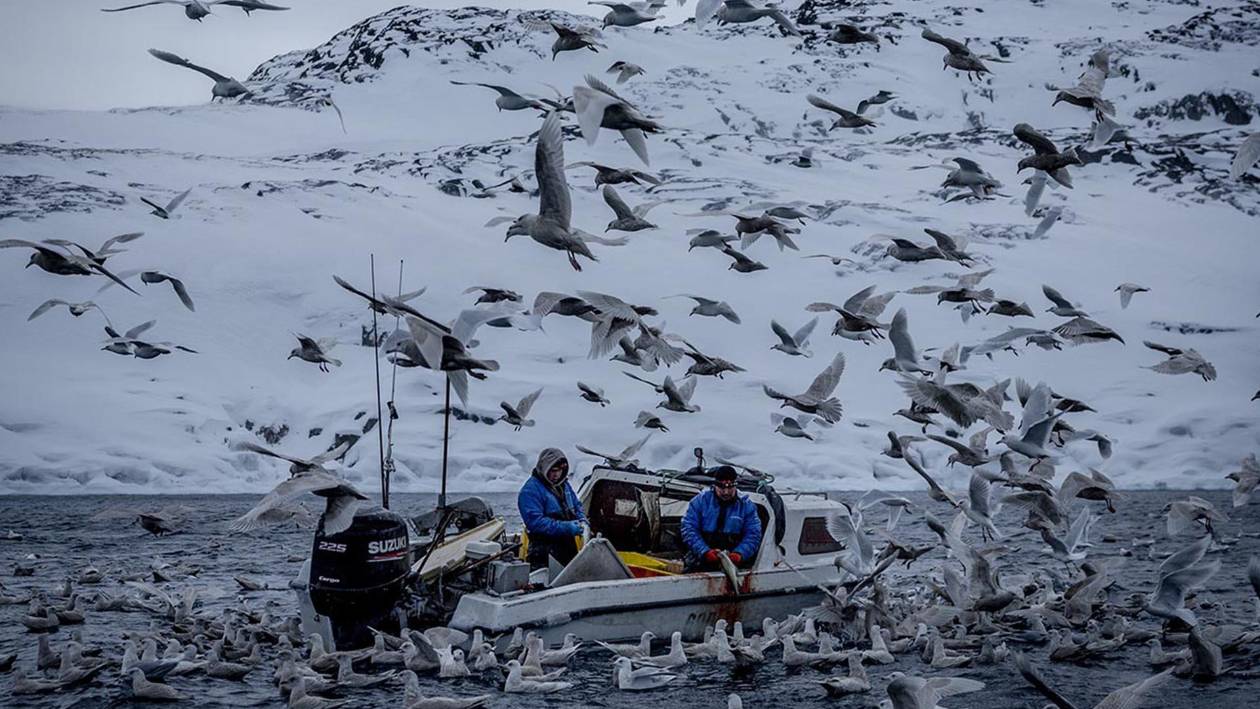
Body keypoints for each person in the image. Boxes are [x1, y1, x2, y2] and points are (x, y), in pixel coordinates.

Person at [680, 466, 763, 572]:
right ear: (715, 485)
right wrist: (704, 551)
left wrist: (740, 553)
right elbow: (688, 528)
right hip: (702, 556)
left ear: (735, 485)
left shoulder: (746, 506)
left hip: (733, 559)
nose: (726, 492)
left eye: (730, 487)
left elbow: (753, 534)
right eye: (722, 488)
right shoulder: (700, 501)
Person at [517, 447, 587, 570]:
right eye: (553, 470)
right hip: (543, 552)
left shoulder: (564, 485)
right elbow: (535, 523)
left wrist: (582, 519)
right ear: (544, 468)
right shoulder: (530, 490)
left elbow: (576, 505)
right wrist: (567, 527)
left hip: (567, 548)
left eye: (559, 470)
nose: (556, 474)